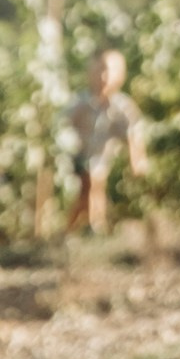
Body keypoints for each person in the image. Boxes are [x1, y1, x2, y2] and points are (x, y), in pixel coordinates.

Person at [63, 49, 150, 235]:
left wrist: (137, 159)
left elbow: (133, 132)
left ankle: (87, 227)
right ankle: (90, 226)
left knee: (93, 187)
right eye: (99, 71)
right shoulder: (81, 102)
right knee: (88, 187)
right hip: (78, 156)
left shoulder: (122, 106)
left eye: (109, 71)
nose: (103, 77)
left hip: (101, 157)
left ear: (120, 75)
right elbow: (64, 125)